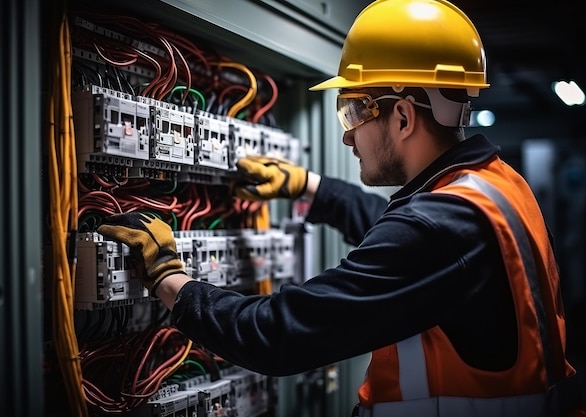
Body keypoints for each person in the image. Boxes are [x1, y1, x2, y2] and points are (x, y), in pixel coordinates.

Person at [97, 0, 585, 415]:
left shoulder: (437, 228)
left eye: (352, 111)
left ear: (402, 116)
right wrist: (308, 186)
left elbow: (276, 335)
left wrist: (168, 277)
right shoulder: (493, 187)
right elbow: (400, 244)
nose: (348, 134)